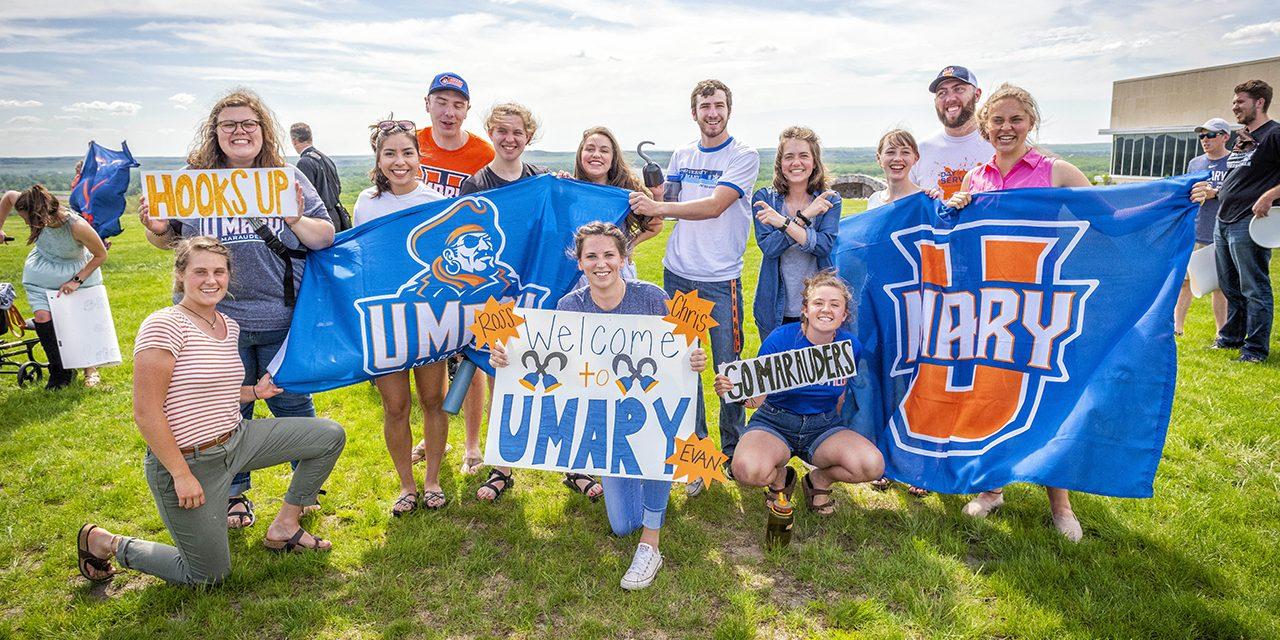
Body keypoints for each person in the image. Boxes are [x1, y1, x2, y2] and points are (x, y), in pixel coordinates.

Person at [75, 237, 346, 586]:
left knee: (328, 436)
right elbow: (146, 412)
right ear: (180, 275)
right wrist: (180, 473)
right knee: (207, 576)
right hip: (190, 460)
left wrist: (253, 392)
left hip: (238, 440)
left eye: (219, 272)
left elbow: (208, 389)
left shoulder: (226, 325)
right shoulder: (164, 325)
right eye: (200, 271)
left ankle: (285, 525)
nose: (211, 280)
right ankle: (106, 541)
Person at [138, 88, 336, 530]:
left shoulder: (287, 178)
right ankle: (234, 495)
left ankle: (304, 489)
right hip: (212, 323)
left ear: (263, 130)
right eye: (229, 124)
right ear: (216, 133)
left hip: (282, 315)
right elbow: (169, 240)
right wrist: (154, 229)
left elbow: (324, 237)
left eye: (248, 123)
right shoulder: (193, 180)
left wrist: (293, 219)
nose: (239, 131)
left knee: (292, 401)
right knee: (225, 409)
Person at [489, 222, 707, 589]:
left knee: (657, 450)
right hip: (609, 423)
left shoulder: (652, 297)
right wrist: (507, 358)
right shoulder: (569, 306)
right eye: (591, 256)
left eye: (609, 255)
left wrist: (694, 358)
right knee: (622, 525)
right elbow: (552, 362)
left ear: (623, 259)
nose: (600, 263)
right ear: (580, 262)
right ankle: (648, 490)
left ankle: (651, 543)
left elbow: (678, 353)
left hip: (648, 411)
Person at [944, 83, 1093, 542]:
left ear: (1031, 122)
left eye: (1016, 120)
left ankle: (1061, 505)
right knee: (991, 394)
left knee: (1047, 399)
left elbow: (1110, 214)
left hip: (1040, 305)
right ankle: (992, 489)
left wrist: (1178, 197)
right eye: (998, 121)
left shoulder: (1056, 171)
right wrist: (955, 208)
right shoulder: (975, 177)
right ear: (985, 125)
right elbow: (961, 238)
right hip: (990, 306)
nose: (1006, 128)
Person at [459, 102, 604, 501]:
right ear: (491, 132)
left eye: (517, 132)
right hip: (495, 301)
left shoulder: (542, 181)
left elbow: (561, 233)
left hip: (538, 298)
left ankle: (575, 465)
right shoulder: (476, 185)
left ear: (529, 137)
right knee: (499, 379)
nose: (509, 139)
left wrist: (562, 189)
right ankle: (501, 466)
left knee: (562, 377)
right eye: (502, 131)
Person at [629, 79, 761, 496]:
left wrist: (659, 205)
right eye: (705, 106)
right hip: (680, 276)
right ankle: (700, 458)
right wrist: (646, 190)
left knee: (727, 369)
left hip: (720, 279)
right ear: (694, 112)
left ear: (729, 109)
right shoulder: (683, 153)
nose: (712, 112)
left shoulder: (744, 155)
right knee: (686, 368)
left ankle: (733, 448)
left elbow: (714, 205)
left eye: (719, 105)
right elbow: (664, 196)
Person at [717, 271, 883, 517]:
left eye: (834, 305)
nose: (826, 310)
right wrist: (734, 391)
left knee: (872, 465)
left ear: (844, 315)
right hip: (775, 421)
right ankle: (780, 478)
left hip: (823, 425)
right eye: (818, 303)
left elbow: (840, 395)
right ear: (805, 309)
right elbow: (755, 401)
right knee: (747, 470)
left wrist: (833, 428)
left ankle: (819, 481)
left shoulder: (849, 347)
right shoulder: (780, 340)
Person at [353, 117, 448, 514]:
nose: (399, 161)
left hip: (429, 315)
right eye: (390, 154)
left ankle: (432, 481)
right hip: (384, 319)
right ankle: (406, 485)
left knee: (433, 400)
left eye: (407, 153)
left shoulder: (437, 202)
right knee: (395, 406)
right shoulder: (366, 203)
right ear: (378, 159)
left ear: (419, 156)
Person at [408, 72, 496, 473]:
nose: (449, 111)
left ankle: (473, 446)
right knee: (430, 355)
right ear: (427, 103)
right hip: (422, 269)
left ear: (466, 111)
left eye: (457, 104)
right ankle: (433, 434)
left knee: (471, 354)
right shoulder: (413, 144)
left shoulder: (482, 152)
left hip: (470, 271)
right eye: (441, 101)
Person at [1192, 80, 1280, 363]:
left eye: (1240, 102)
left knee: (1254, 286)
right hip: (1224, 219)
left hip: (1249, 221)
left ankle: (1254, 350)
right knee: (1230, 285)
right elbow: (1239, 176)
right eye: (1234, 102)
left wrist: (1270, 195)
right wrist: (1218, 192)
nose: (1234, 107)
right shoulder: (1243, 136)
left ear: (1259, 103)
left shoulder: (1274, 134)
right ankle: (1230, 339)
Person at [0, 185, 107, 389]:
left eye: (28, 220)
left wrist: (76, 281)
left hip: (74, 274)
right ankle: (60, 373)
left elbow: (101, 255)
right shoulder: (21, 200)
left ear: (40, 213)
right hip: (41, 273)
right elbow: (7, 197)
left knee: (76, 323)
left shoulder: (76, 226)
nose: (27, 223)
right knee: (42, 318)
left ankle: (89, 368)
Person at [750, 126, 840, 341]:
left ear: (814, 161)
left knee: (818, 373)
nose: (796, 163)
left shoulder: (830, 199)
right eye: (789, 156)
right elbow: (770, 248)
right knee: (777, 373)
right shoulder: (764, 199)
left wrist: (782, 223)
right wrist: (804, 217)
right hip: (774, 310)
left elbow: (822, 247)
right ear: (780, 163)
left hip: (819, 309)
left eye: (803, 156)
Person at [572, 126, 664, 281]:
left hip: (618, 273)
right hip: (578, 274)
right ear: (580, 154)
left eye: (604, 150)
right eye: (590, 149)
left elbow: (655, 225)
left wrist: (630, 244)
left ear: (613, 157)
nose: (596, 155)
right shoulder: (569, 191)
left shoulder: (627, 191)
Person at [1175, 118, 1231, 335]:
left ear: (1225, 137)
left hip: (1221, 231)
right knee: (1185, 282)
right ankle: (1177, 327)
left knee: (1219, 285)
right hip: (1194, 231)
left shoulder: (1234, 163)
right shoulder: (1195, 163)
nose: (1205, 140)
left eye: (1210, 135)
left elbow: (1238, 195)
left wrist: (1215, 193)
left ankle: (1222, 332)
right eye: (1201, 136)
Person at [910, 65, 994, 200]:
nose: (949, 99)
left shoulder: (998, 146)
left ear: (977, 95)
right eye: (942, 93)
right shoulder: (919, 152)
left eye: (959, 89)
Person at [291, 122, 350, 232]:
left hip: (320, 221)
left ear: (294, 141)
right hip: (337, 217)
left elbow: (304, 198)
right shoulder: (325, 158)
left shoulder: (304, 162)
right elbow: (338, 188)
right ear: (310, 138)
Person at [867, 129, 923, 209]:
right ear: (879, 158)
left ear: (916, 158)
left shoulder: (925, 201)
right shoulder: (874, 201)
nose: (897, 158)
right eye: (890, 152)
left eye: (905, 152)